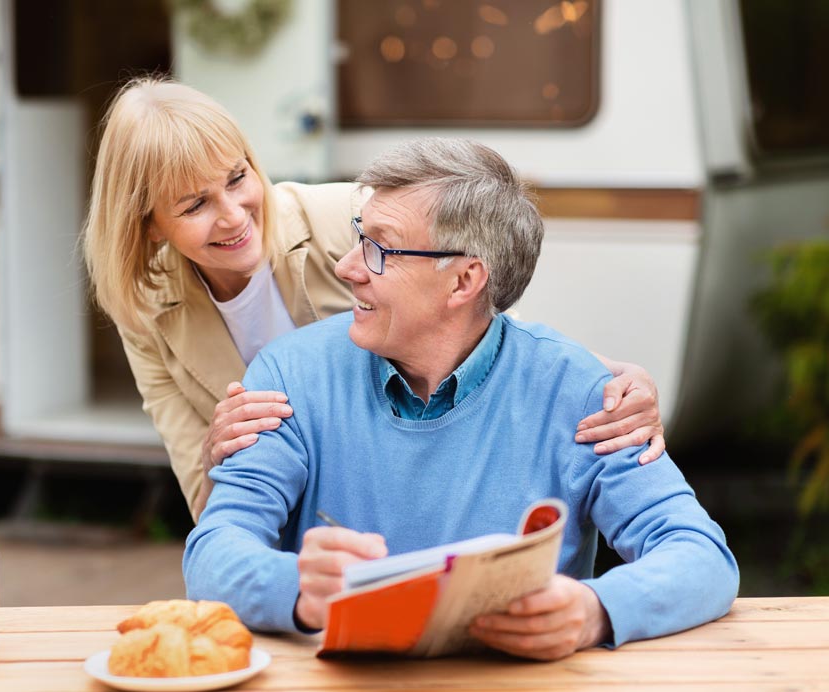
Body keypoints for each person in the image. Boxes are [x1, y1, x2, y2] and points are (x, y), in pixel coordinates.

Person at [183, 138, 738, 660]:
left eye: (379, 249)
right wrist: (298, 589)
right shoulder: (289, 375)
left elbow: (700, 554)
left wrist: (598, 611)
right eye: (359, 236)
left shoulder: (582, 392)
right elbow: (214, 550)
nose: (348, 267)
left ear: (463, 281)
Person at [82, 76, 667, 522]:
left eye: (237, 179)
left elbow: (475, 305)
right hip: (305, 534)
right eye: (193, 205)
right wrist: (218, 452)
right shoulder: (145, 307)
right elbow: (209, 502)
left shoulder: (353, 218)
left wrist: (603, 380)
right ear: (149, 226)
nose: (234, 216)